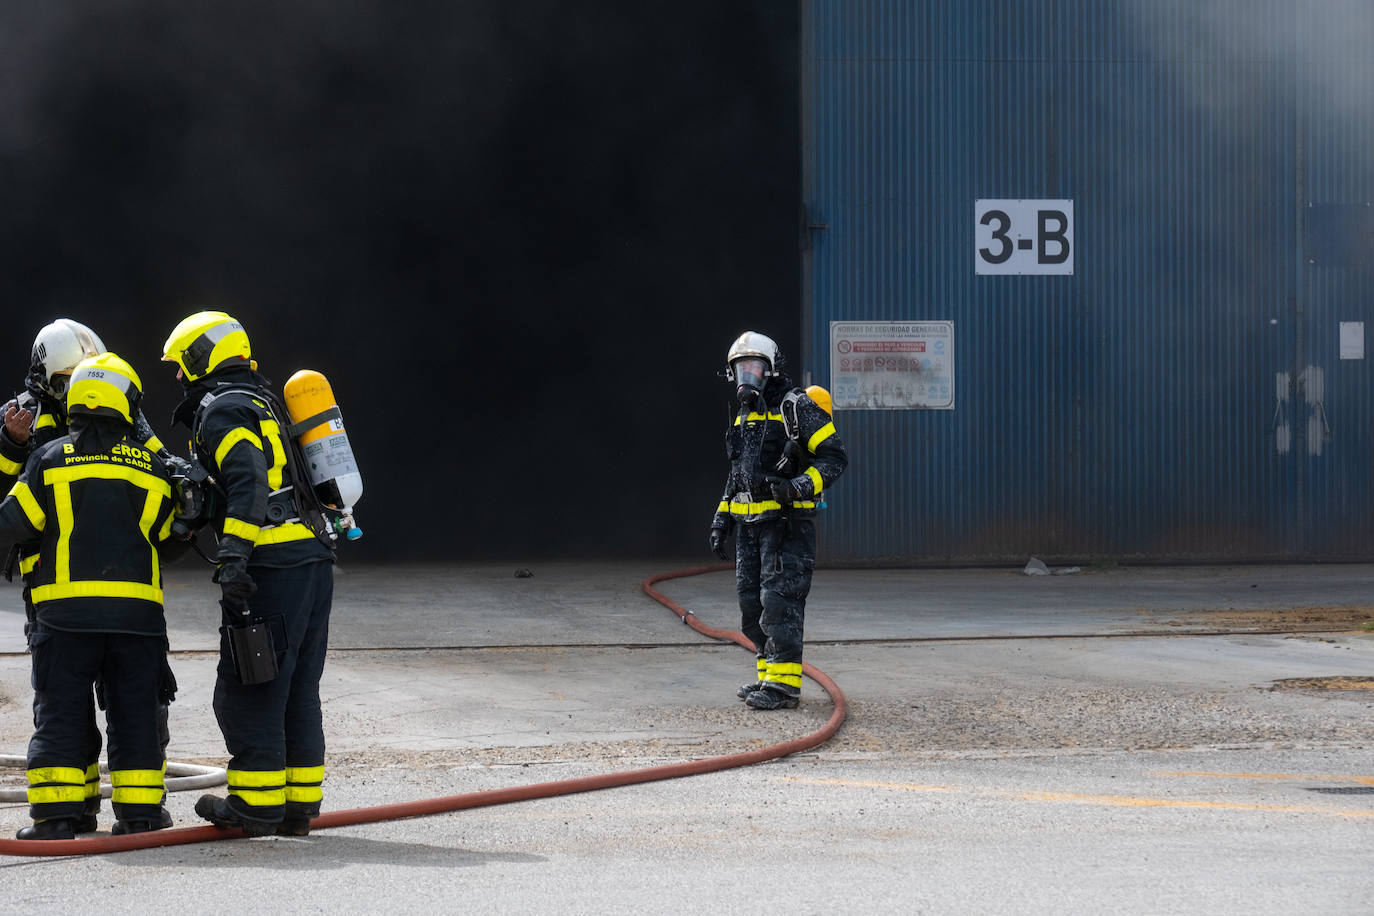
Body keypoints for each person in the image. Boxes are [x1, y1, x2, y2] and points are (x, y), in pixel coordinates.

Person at [162, 310, 335, 837]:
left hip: (271, 567)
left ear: (200, 357)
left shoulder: (221, 411)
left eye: (180, 365)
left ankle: (256, 806)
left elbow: (248, 480)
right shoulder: (263, 403)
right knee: (297, 687)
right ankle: (297, 807)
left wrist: (234, 553)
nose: (177, 377)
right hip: (312, 560)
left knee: (250, 685)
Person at [1, 319, 177, 834]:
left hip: (63, 601)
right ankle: (105, 810)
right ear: (43, 378)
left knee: (64, 704)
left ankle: (60, 816)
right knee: (106, 709)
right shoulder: (20, 420)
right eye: (64, 379)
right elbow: (170, 525)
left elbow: (9, 523)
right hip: (92, 597)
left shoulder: (57, 456)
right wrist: (10, 446)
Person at [708, 331, 848, 710]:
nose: (747, 375)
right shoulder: (743, 415)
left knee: (779, 603)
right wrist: (722, 518)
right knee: (751, 606)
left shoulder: (796, 407)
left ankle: (785, 688)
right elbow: (737, 474)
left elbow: (835, 457)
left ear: (770, 370)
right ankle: (767, 677)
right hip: (750, 530)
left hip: (786, 529)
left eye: (754, 367)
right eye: (741, 368)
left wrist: (799, 486)